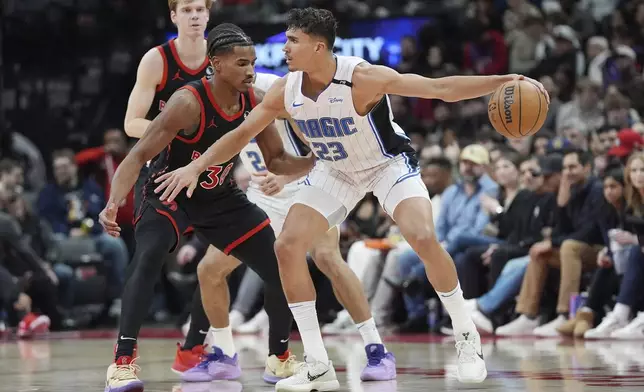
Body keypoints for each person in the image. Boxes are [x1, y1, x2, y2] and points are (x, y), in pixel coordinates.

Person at [153, 8, 548, 390]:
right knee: (288, 246)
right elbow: (238, 136)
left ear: (319, 48)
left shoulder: (362, 78)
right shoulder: (284, 90)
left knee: (422, 236)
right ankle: (318, 363)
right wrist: (196, 166)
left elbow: (439, 88)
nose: (284, 49)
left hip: (386, 166)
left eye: (293, 41)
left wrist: (502, 80)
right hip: (334, 170)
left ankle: (466, 335)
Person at [101, 23, 315, 392]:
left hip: (218, 195)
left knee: (281, 263)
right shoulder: (187, 102)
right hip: (167, 190)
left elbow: (277, 160)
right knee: (148, 257)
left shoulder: (254, 100)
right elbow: (137, 156)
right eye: (241, 63)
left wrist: (316, 160)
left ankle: (279, 359)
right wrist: (112, 203)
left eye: (252, 63)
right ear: (215, 63)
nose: (250, 71)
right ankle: (122, 364)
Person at [186, 71, 395, 384]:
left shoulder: (276, 90)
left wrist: (287, 177)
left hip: (306, 185)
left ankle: (376, 348)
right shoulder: (205, 102)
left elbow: (321, 147)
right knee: (210, 270)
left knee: (327, 258)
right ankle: (225, 355)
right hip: (262, 196)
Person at [120, 0, 219, 376]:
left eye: (200, 9)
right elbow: (131, 123)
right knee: (147, 257)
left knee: (224, 261)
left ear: (209, 14)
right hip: (163, 172)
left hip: (210, 171)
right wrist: (179, 132)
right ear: (174, 16)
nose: (195, 15)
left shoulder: (222, 56)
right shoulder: (157, 59)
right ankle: (123, 358)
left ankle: (193, 347)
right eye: (187, 9)